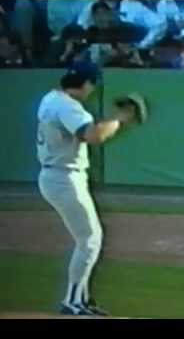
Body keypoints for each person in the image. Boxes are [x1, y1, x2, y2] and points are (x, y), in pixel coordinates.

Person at [36, 62, 145, 316]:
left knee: (87, 239)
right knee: (90, 240)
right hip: (64, 179)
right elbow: (93, 136)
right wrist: (120, 119)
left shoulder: (51, 98)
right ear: (86, 84)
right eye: (92, 85)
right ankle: (73, 302)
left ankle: (80, 298)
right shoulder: (68, 107)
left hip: (55, 175)